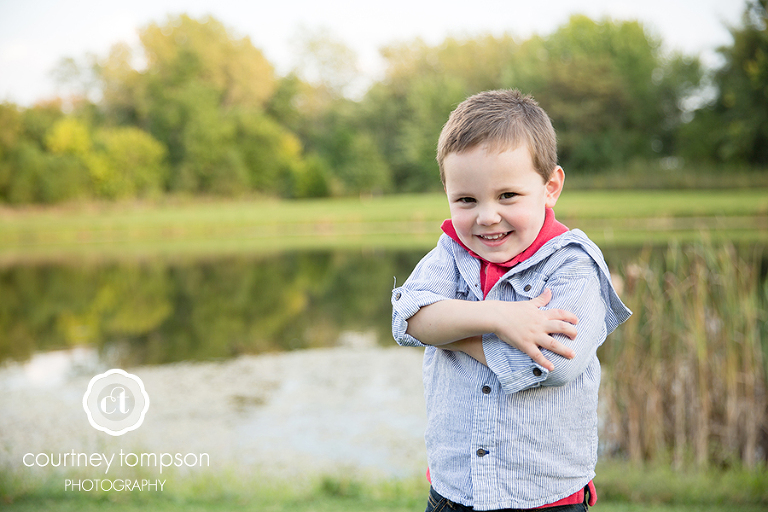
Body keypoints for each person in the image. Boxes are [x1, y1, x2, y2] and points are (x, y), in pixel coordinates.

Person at [391, 89, 631, 511]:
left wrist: (449, 334)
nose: (487, 217)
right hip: (455, 490)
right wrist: (498, 317)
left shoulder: (573, 264)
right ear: (447, 192)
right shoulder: (451, 253)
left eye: (507, 196)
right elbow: (407, 320)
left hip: (544, 497)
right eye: (466, 200)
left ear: (550, 187)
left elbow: (554, 363)